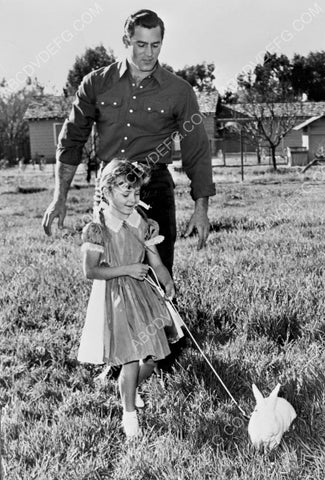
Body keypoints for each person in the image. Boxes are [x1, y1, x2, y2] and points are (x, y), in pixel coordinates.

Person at [42, 8, 215, 373]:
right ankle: (119, 357)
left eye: (155, 45)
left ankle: (161, 352)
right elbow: (71, 140)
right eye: (140, 44)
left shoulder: (179, 91)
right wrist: (59, 198)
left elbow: (197, 148)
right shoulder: (96, 83)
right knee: (111, 274)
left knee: (155, 270)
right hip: (107, 194)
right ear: (126, 42)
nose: (148, 53)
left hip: (153, 189)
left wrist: (201, 208)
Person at [78, 159, 180, 438]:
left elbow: (155, 260)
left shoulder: (141, 222)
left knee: (152, 359)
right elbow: (91, 271)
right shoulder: (98, 228)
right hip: (116, 296)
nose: (133, 199)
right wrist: (127, 270)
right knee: (131, 358)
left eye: (137, 194)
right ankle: (129, 414)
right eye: (126, 194)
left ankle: (128, 387)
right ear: (108, 191)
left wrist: (166, 279)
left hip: (144, 295)